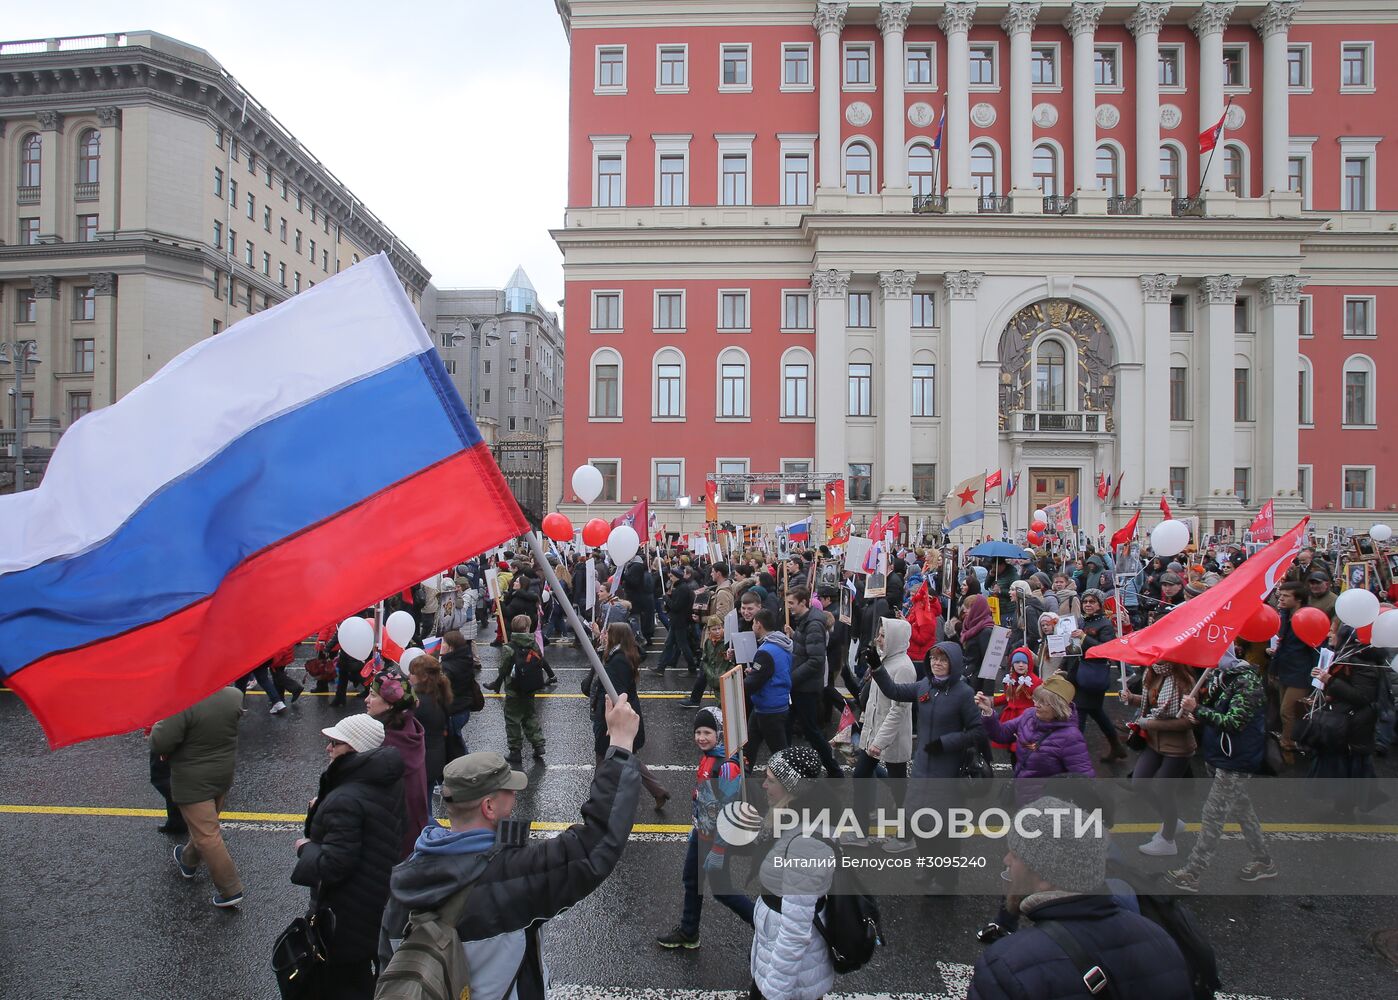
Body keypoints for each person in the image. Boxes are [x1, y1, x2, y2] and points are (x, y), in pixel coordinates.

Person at [378, 699, 643, 999]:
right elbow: (594, 845)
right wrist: (621, 746)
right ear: (489, 806)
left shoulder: (401, 885)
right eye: (508, 791)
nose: (515, 797)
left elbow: (388, 969)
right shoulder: (512, 876)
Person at [968, 796, 1193, 1000]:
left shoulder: (1006, 966)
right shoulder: (1161, 939)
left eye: (1015, 854)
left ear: (1046, 874)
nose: (1006, 860)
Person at [973, 676, 1095, 943]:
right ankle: (1006, 922)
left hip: (1049, 816)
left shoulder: (1071, 738)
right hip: (1023, 807)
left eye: (1043, 701)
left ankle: (1045, 930)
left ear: (1058, 707)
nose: (1036, 703)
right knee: (1017, 867)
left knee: (1044, 873)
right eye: (1037, 699)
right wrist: (988, 713)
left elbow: (1085, 782)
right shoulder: (1029, 717)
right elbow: (1002, 734)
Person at [291, 715, 404, 997]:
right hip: (375, 898)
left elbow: (334, 864)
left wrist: (306, 848)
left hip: (346, 912)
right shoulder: (385, 780)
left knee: (341, 983)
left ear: (354, 749)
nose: (328, 748)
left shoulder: (346, 798)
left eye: (335, 743)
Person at [867, 640, 981, 887]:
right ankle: (930, 866)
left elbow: (976, 732)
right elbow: (894, 691)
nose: (937, 663)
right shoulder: (925, 686)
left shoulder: (964, 693)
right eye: (933, 659)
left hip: (948, 771)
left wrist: (946, 743)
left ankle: (947, 879)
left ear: (954, 663)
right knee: (918, 821)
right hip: (922, 767)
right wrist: (877, 667)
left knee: (944, 830)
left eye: (942, 659)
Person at [1165, 649, 1276, 892]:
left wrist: (1198, 710)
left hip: (1236, 759)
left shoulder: (1248, 682)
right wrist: (1199, 714)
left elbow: (1234, 722)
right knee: (1243, 811)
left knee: (1213, 815)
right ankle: (1264, 861)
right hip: (1220, 755)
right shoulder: (1222, 676)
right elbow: (1212, 710)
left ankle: (1193, 873)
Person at [656, 707, 754, 949]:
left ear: (719, 733)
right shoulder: (710, 756)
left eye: (707, 732)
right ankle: (689, 931)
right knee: (692, 880)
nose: (701, 737)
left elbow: (729, 811)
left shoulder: (726, 765)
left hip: (716, 840)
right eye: (697, 731)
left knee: (722, 890)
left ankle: (765, 925)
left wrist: (719, 850)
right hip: (701, 833)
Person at [747, 746, 836, 1000]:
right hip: (776, 959)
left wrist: (774, 992)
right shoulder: (787, 817)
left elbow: (796, 930)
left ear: (792, 790)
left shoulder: (806, 845)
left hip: (792, 979)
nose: (764, 785)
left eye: (771, 781)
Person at [151, 685, 245, 908]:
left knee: (207, 835)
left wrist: (158, 720)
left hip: (192, 779)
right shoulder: (233, 695)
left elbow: (160, 742)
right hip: (222, 773)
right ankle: (188, 860)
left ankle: (230, 889)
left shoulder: (182, 702)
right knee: (205, 826)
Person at [589, 623, 670, 809]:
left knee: (603, 759)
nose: (604, 635)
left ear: (616, 637)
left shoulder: (617, 660)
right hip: (625, 715)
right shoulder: (626, 654)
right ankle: (658, 791)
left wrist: (609, 720)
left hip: (614, 717)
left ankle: (598, 803)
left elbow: (616, 692)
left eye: (607, 633)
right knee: (628, 757)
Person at [1122, 660, 1197, 856]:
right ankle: (1172, 821)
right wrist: (1131, 698)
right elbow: (1152, 703)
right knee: (1139, 782)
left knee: (1165, 790)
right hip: (1153, 743)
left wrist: (1150, 724)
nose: (1156, 659)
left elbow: (1188, 723)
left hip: (1178, 747)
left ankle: (1168, 840)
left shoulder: (1184, 680)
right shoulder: (1152, 673)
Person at [852, 617, 914, 836]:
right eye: (879, 634)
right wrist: (865, 728)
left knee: (899, 789)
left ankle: (906, 833)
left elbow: (899, 709)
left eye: (883, 635)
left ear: (896, 639)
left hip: (890, 740)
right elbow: (873, 702)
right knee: (860, 778)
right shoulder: (884, 660)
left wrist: (878, 741)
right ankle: (861, 831)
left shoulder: (904, 667)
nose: (878, 639)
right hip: (874, 736)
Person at [366, 669, 429, 860]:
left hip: (392, 837)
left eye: (373, 695)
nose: (366, 700)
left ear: (390, 704)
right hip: (414, 826)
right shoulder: (409, 728)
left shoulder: (384, 744)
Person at [785, 587, 842, 777]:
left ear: (803, 602)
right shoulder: (806, 621)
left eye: (792, 603)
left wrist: (791, 679)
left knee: (811, 731)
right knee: (788, 724)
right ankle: (785, 764)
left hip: (805, 687)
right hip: (800, 685)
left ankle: (834, 770)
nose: (789, 607)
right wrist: (794, 636)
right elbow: (806, 647)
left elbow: (815, 660)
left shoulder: (813, 624)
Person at [1064, 589, 1126, 761]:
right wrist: (1063, 667)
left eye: (1092, 602)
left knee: (1081, 714)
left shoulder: (1105, 624)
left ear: (1099, 604)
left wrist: (1084, 637)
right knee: (1097, 712)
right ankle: (1116, 746)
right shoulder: (1083, 621)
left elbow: (1104, 650)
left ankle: (1076, 757)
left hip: (1093, 675)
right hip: (1080, 673)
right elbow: (1075, 649)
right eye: (1085, 602)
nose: (1088, 605)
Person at [485, 614, 551, 769]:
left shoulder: (509, 647)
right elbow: (540, 660)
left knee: (513, 719)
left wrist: (498, 683)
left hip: (514, 689)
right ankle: (538, 745)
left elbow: (503, 669)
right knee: (530, 715)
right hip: (529, 687)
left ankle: (515, 751)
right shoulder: (533, 644)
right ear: (527, 628)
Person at [1272, 581, 1320, 764]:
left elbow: (1315, 650)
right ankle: (1290, 740)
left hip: (1300, 674)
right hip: (1284, 670)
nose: (1281, 598)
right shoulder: (1285, 615)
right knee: (1284, 710)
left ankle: (1288, 745)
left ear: (1298, 599)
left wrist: (1315, 680)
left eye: (1286, 596)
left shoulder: (1308, 618)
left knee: (1287, 711)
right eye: (1280, 595)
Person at [743, 609, 793, 768]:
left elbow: (754, 682)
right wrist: (755, 673)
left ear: (758, 624)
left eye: (753, 623)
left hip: (769, 708)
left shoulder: (765, 651)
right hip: (772, 703)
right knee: (749, 746)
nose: (752, 627)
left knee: (780, 753)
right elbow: (769, 671)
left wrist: (737, 685)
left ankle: (791, 784)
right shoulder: (782, 643)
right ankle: (742, 774)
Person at [409, 654, 454, 809]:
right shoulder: (439, 694)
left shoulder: (419, 703)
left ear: (423, 677)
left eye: (413, 673)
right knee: (425, 800)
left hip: (423, 759)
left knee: (420, 806)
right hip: (436, 755)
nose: (409, 676)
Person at [987, 647, 1041, 764]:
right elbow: (1008, 697)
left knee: (1022, 749)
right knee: (1012, 750)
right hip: (1010, 718)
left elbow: (1041, 700)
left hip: (1027, 720)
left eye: (1024, 662)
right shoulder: (1010, 679)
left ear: (1029, 664)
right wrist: (991, 701)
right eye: (1017, 662)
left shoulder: (1035, 682)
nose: (1020, 665)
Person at [440, 629, 482, 759]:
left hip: (454, 710)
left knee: (455, 743)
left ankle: (464, 766)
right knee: (456, 739)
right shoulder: (465, 659)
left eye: (443, 644)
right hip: (464, 707)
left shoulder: (447, 667)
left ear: (451, 648)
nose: (441, 646)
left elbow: (441, 688)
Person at [682, 614, 727, 709]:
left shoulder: (726, 642)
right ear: (709, 631)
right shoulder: (708, 642)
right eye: (714, 629)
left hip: (722, 674)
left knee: (723, 700)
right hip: (712, 674)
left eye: (719, 628)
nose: (718, 631)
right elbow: (706, 657)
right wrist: (707, 669)